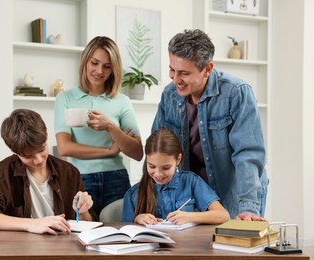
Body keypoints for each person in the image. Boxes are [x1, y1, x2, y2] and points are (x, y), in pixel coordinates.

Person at [152, 29, 269, 221]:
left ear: (207, 69)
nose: (175, 79)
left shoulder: (236, 93)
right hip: (194, 194)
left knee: (233, 247)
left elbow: (248, 154)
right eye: (172, 70)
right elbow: (158, 147)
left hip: (235, 193)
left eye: (184, 73)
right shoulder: (169, 95)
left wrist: (248, 206)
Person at [0, 109, 95, 235]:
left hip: (63, 249)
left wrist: (83, 211)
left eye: (42, 149)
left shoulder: (69, 172)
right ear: (13, 150)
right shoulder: (1, 174)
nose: (38, 160)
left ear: (46, 133)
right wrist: (31, 223)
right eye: (28, 157)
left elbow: (87, 224)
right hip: (19, 249)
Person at [54, 36, 143, 217]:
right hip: (80, 180)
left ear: (113, 69)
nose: (99, 71)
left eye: (107, 66)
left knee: (120, 236)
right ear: (85, 61)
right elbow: (64, 147)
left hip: (116, 179)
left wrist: (110, 127)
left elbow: (137, 152)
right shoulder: (65, 98)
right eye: (94, 63)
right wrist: (110, 151)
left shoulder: (122, 101)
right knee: (84, 237)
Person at [122, 128, 230, 225]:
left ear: (178, 159)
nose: (158, 174)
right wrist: (137, 219)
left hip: (186, 245)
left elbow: (223, 216)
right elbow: (126, 231)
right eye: (152, 166)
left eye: (166, 168)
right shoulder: (133, 194)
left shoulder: (191, 182)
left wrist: (190, 217)